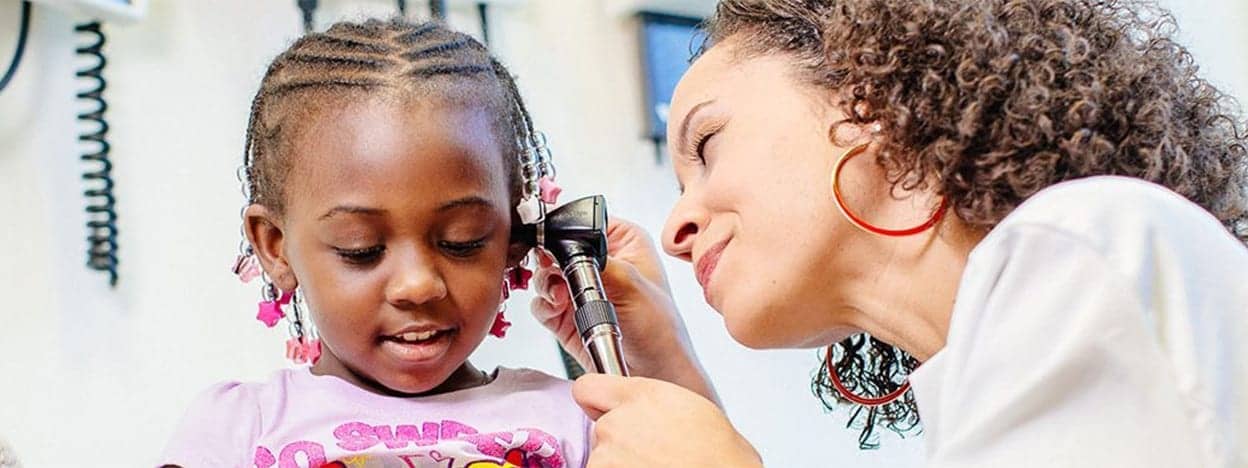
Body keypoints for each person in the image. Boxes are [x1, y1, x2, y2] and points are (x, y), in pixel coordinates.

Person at [531, 1, 1248, 466]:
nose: (675, 227)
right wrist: (676, 383)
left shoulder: (1097, 241)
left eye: (709, 144)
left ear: (870, 97)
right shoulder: (979, 394)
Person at [159, 18, 596, 467]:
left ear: (514, 234)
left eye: (462, 241)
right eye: (360, 249)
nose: (418, 285)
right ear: (274, 246)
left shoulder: (576, 418)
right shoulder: (236, 426)